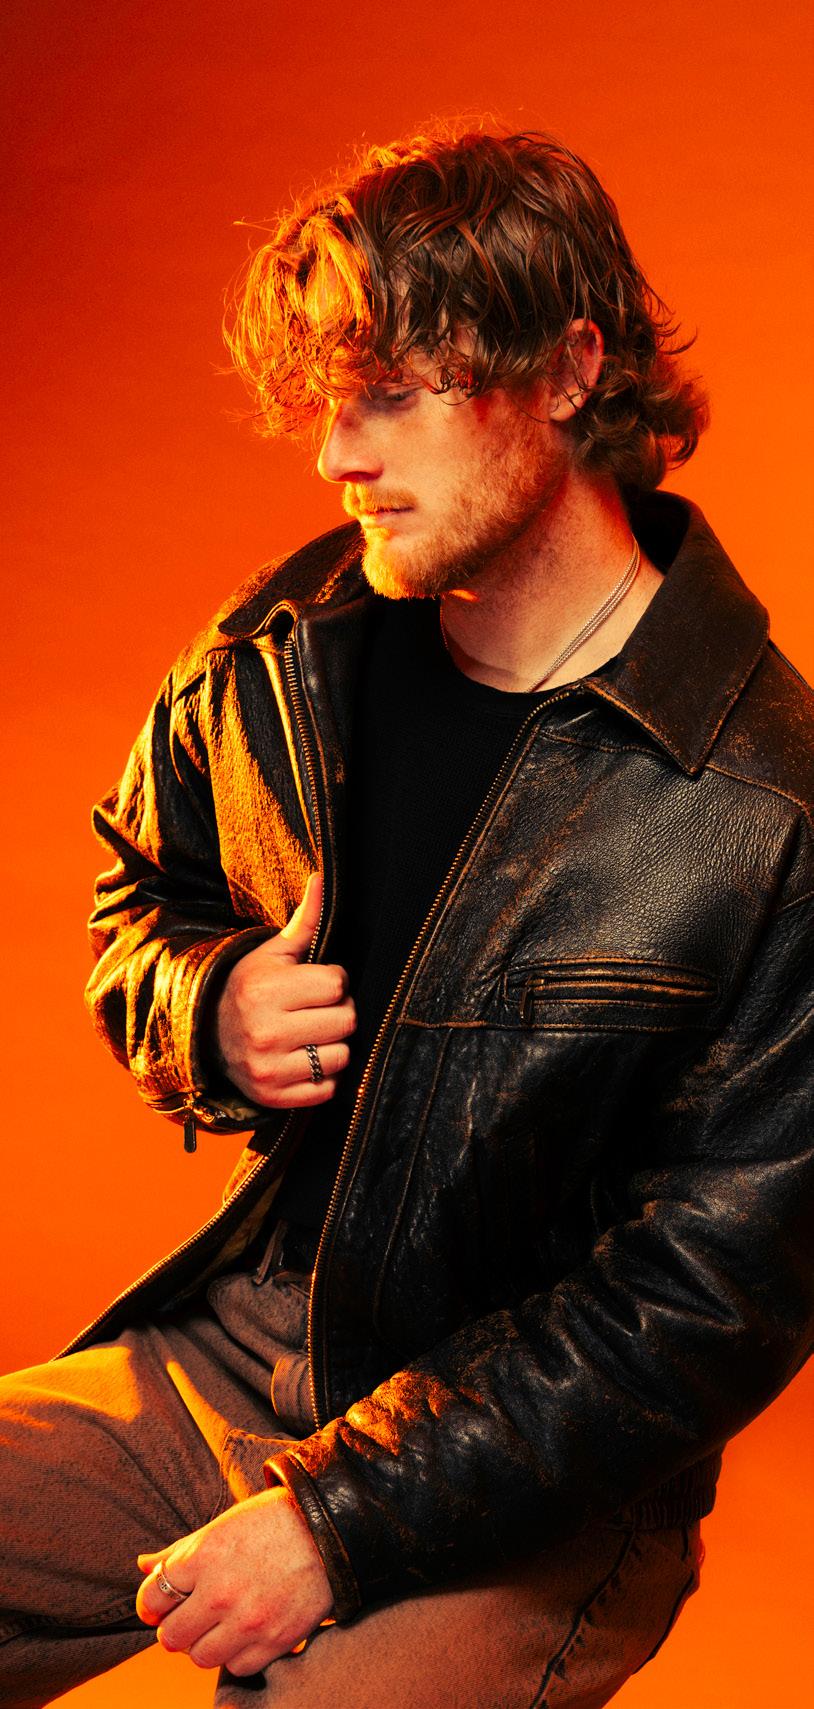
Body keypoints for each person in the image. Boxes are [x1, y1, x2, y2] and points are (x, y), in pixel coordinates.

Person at [1, 128, 812, 1709]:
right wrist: (207, 1003)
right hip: (241, 1350)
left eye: (390, 393)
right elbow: (133, 891)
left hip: (536, 1464)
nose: (334, 456)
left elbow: (705, 1300)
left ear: (568, 368)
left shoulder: (762, 801)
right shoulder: (282, 649)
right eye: (327, 401)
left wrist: (337, 1518)